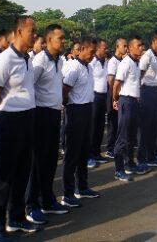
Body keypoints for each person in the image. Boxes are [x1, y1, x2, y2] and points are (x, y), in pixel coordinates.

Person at [0, 16, 40, 238]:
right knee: (3, 176)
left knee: (22, 171)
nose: (35, 35)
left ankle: (16, 218)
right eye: (32, 31)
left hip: (27, 118)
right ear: (19, 32)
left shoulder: (27, 58)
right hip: (8, 120)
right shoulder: (5, 60)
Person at [25, 24, 69, 226]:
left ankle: (47, 199)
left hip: (54, 114)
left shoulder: (59, 61)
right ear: (49, 40)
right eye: (60, 38)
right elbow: (30, 87)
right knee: (37, 162)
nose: (63, 41)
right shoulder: (39, 61)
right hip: (40, 115)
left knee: (51, 160)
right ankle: (31, 205)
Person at [61, 37, 99, 207]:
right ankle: (68, 194)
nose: (93, 55)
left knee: (84, 151)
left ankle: (82, 187)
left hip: (87, 110)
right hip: (75, 111)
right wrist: (68, 107)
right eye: (91, 52)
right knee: (72, 154)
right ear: (82, 49)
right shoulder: (74, 68)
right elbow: (65, 90)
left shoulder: (88, 66)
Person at [113, 36, 146, 181]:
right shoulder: (125, 63)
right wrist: (115, 99)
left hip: (134, 102)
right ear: (130, 48)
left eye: (142, 46)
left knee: (132, 136)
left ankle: (130, 163)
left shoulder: (136, 63)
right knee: (123, 137)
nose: (141, 48)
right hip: (126, 101)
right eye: (138, 46)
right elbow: (116, 84)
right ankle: (119, 169)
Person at [138, 32, 157, 168]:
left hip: (155, 91)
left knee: (154, 126)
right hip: (146, 92)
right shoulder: (147, 56)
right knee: (145, 128)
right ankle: (142, 159)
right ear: (154, 41)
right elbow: (139, 76)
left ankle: (151, 156)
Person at [88, 39, 109, 167]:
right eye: (104, 48)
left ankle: (96, 153)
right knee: (92, 127)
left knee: (100, 127)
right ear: (98, 49)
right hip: (94, 97)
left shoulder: (106, 61)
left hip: (103, 97)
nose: (106, 50)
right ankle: (89, 155)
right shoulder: (92, 62)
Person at [105, 38, 128, 159]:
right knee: (113, 122)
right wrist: (115, 97)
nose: (126, 48)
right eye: (124, 46)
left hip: (121, 94)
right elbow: (111, 80)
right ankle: (110, 148)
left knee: (120, 122)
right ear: (117, 47)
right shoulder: (113, 61)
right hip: (113, 94)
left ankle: (118, 146)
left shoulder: (124, 61)